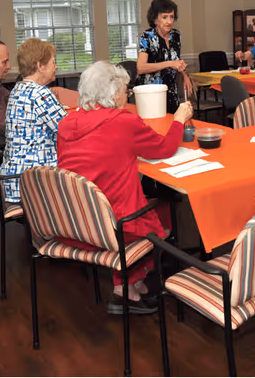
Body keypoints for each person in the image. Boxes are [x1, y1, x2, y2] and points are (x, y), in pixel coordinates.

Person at [57, 61, 194, 314]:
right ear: (112, 94)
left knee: (144, 205)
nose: (126, 95)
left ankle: (135, 280)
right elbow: (163, 149)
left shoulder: (67, 122)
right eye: (125, 90)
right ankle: (126, 285)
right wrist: (177, 120)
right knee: (165, 215)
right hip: (112, 226)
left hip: (74, 220)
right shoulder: (123, 121)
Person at [0, 38, 66, 203]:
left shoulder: (18, 89)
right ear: (39, 66)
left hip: (15, 178)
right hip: (33, 183)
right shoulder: (40, 93)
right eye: (53, 62)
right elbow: (69, 129)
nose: (56, 66)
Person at [137, 0, 193, 114]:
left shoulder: (176, 35)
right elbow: (140, 68)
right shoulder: (147, 36)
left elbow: (175, 60)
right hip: (152, 93)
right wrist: (169, 64)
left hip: (171, 90)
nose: (169, 21)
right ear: (155, 19)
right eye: (164, 17)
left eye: (171, 17)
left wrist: (184, 76)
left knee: (174, 124)